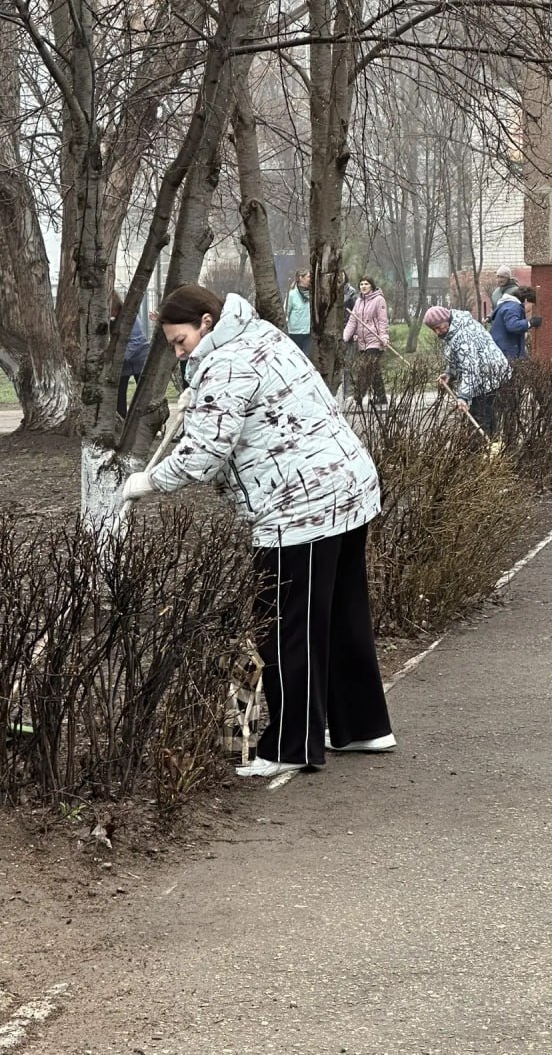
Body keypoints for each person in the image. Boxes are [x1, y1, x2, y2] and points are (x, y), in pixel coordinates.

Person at [121, 285, 395, 778]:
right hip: (346, 487)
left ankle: (289, 748)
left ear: (206, 322)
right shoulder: (259, 332)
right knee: (339, 615)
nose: (178, 351)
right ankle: (362, 725)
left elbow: (206, 454)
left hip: (301, 507)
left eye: (181, 341)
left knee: (286, 628)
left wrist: (150, 481)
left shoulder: (226, 364)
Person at [423, 304, 511, 436]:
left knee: (480, 415)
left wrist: (463, 396)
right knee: (485, 413)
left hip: (489, 375)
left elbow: (470, 367)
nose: (437, 332)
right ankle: (491, 443)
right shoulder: (454, 329)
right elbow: (459, 357)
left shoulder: (463, 335)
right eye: (433, 329)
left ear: (446, 320)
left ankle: (484, 449)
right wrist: (449, 373)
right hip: (485, 373)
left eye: (438, 327)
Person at [343, 276, 389, 406]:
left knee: (366, 369)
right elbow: (353, 321)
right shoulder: (358, 301)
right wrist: (345, 337)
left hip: (375, 340)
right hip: (362, 342)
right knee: (374, 371)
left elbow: (382, 320)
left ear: (372, 286)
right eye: (361, 284)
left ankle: (358, 397)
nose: (363, 286)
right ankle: (381, 398)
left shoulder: (379, 300)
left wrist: (384, 337)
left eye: (366, 284)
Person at [110, 292, 151, 419]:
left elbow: (136, 340)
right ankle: (122, 422)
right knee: (119, 396)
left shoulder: (129, 316)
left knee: (144, 393)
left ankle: (149, 421)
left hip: (139, 357)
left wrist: (118, 358)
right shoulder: (108, 320)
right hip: (123, 364)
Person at [490, 284, 543, 360]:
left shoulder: (508, 305)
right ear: (526, 301)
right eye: (532, 306)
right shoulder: (513, 307)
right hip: (506, 351)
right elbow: (512, 326)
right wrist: (530, 323)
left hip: (502, 348)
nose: (530, 311)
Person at [285, 270, 313, 357]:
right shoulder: (292, 295)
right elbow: (286, 312)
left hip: (308, 333)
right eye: (308, 277)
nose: (310, 279)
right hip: (294, 333)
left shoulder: (313, 295)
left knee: (306, 358)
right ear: (301, 278)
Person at [339, 271, 358, 401]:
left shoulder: (351, 292)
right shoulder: (329, 291)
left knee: (347, 364)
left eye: (342, 275)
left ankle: (347, 393)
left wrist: (355, 332)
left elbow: (356, 315)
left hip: (348, 331)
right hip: (334, 332)